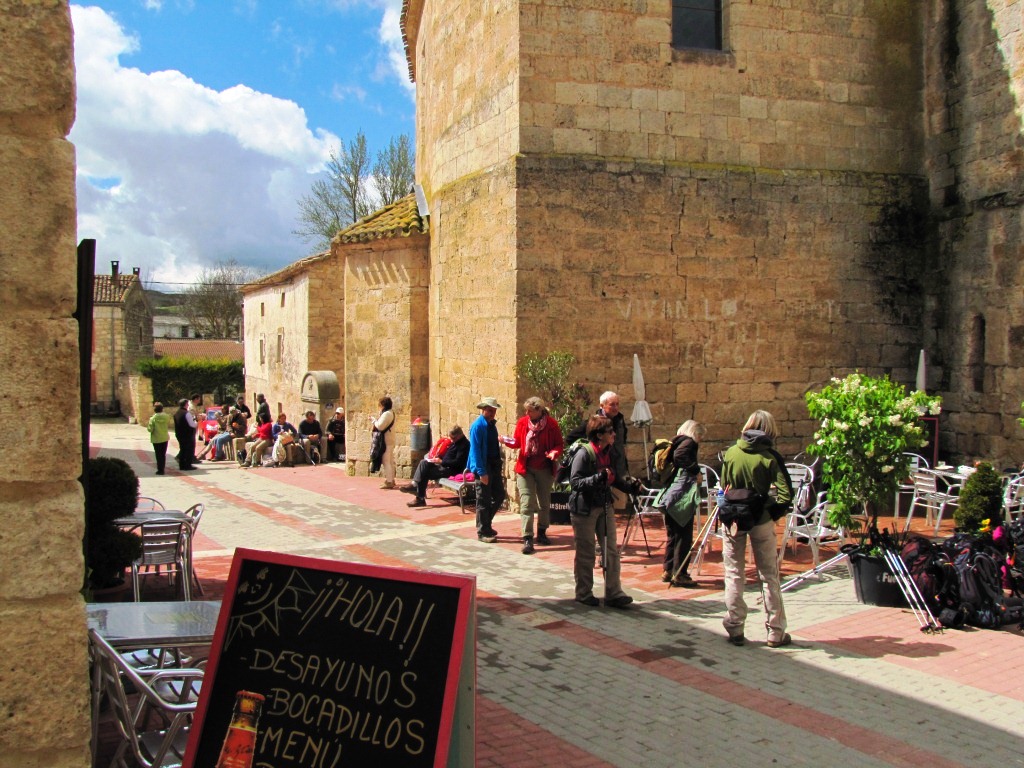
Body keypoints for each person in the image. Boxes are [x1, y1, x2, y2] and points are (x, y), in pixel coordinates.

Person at [720, 409, 793, 648]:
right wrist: (774, 513)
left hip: (734, 518)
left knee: (734, 572)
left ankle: (735, 625)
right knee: (769, 575)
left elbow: (724, 485)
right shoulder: (770, 456)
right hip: (760, 518)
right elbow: (786, 494)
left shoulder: (732, 452)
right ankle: (775, 630)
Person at [568, 415, 633, 609]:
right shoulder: (584, 454)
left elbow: (614, 478)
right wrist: (597, 478)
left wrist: (630, 487)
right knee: (586, 551)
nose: (614, 434)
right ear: (599, 435)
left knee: (611, 550)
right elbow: (575, 482)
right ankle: (583, 593)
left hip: (604, 506)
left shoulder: (610, 452)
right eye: (610, 432)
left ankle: (614, 593)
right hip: (584, 509)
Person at [502, 397, 564, 554]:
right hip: (526, 468)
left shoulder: (551, 424)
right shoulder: (523, 422)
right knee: (527, 502)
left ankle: (542, 531)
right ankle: (527, 537)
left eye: (530, 410)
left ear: (539, 410)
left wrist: (554, 452)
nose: (526, 413)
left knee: (544, 503)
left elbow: (559, 444)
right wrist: (505, 440)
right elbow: (517, 442)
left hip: (544, 468)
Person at [660, 420, 706, 588]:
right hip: (681, 495)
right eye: (700, 435)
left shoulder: (676, 441)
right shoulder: (688, 443)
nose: (700, 439)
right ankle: (680, 574)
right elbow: (680, 456)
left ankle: (668, 570)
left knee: (673, 534)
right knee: (683, 535)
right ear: (695, 433)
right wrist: (696, 470)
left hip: (671, 494)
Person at [402, 426, 470, 507]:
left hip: (452, 470)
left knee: (424, 472)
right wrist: (438, 458)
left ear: (459, 435)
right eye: (451, 438)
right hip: (444, 466)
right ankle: (415, 484)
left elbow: (458, 463)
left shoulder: (464, 445)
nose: (451, 440)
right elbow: (448, 456)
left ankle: (419, 497)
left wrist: (442, 461)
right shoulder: (455, 442)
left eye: (453, 438)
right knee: (423, 463)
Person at [467, 397, 505, 543]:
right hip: (484, 466)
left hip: (494, 465)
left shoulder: (491, 426)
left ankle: (486, 524)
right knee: (483, 500)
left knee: (499, 495)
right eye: (490, 410)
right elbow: (475, 451)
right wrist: (482, 472)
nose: (492, 413)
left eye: (494, 411)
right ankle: (483, 531)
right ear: (483, 410)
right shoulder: (478, 426)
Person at [372, 397, 397, 488]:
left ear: (383, 405)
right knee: (390, 461)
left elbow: (380, 426)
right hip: (389, 439)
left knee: (386, 461)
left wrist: (374, 420)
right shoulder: (390, 412)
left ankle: (389, 482)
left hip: (385, 440)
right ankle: (391, 479)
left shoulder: (387, 414)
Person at [146, 402, 171, 475]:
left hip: (156, 439)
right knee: (163, 454)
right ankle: (163, 467)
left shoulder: (153, 418)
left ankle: (160, 469)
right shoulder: (166, 417)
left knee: (158, 454)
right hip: (164, 437)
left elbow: (150, 429)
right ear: (162, 409)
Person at [173, 398, 196, 471]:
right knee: (189, 450)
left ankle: (182, 465)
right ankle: (187, 465)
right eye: (187, 404)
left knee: (182, 449)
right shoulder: (186, 413)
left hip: (179, 434)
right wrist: (196, 422)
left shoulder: (177, 413)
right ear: (185, 404)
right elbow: (192, 424)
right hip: (187, 434)